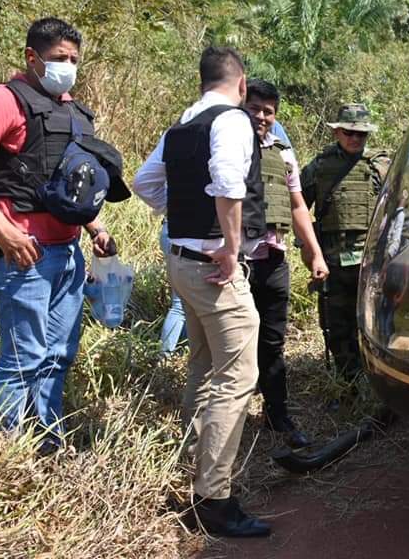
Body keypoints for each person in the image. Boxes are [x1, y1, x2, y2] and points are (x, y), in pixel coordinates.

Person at [0, 17, 122, 451]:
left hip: (68, 254)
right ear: (31, 57)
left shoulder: (71, 109)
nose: (69, 67)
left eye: (75, 59)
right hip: (25, 255)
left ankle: (46, 441)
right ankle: (2, 451)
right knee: (23, 360)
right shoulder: (4, 100)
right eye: (60, 58)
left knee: (59, 356)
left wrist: (94, 226)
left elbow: (64, 180)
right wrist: (1, 230)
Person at [132, 46, 270, 538]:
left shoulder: (181, 126)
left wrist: (186, 214)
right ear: (241, 82)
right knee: (238, 376)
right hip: (214, 269)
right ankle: (214, 497)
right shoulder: (230, 121)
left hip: (181, 262)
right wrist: (231, 247)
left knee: (204, 364)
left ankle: (195, 456)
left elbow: (145, 183)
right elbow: (230, 181)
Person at [242, 79, 328, 448]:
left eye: (268, 111)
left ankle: (278, 416)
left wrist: (315, 254)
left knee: (273, 343)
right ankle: (228, 421)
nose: (261, 116)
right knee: (235, 346)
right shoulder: (227, 148)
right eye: (255, 108)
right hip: (238, 263)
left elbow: (297, 207)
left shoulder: (283, 153)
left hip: (274, 261)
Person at [300, 103, 390, 391]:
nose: (354, 139)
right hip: (334, 263)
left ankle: (378, 383)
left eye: (361, 135)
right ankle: (348, 384)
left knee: (375, 326)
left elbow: (400, 210)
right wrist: (310, 251)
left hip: (371, 263)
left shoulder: (381, 166)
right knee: (338, 327)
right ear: (337, 131)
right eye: (349, 132)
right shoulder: (320, 167)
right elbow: (298, 206)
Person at [158, 218, 187, 356]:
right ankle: (164, 357)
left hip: (170, 229)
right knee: (180, 307)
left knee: (185, 305)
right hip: (184, 236)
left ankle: (181, 351)